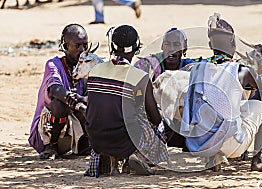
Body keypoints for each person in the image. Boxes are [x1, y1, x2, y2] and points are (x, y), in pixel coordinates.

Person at [179, 14, 262, 171]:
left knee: (213, 105)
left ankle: (212, 157)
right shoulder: (241, 71)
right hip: (231, 143)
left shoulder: (198, 68)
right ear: (233, 43)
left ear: (210, 44)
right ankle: (259, 158)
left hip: (198, 143)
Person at [84, 25, 168, 177]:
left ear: (112, 47)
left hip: (96, 139)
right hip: (124, 140)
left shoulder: (95, 71)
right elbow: (155, 118)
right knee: (151, 118)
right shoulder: (140, 78)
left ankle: (110, 158)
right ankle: (138, 156)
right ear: (137, 48)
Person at [28, 24, 90, 159]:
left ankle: (84, 144)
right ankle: (51, 146)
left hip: (73, 129)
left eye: (85, 45)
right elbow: (56, 89)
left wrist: (83, 100)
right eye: (77, 45)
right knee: (61, 105)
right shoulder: (53, 64)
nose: (82, 50)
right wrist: (77, 102)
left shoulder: (88, 65)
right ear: (65, 46)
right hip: (48, 131)